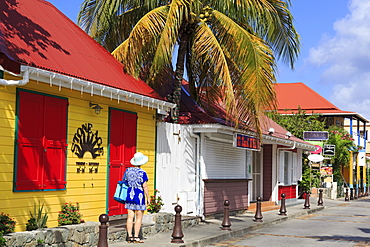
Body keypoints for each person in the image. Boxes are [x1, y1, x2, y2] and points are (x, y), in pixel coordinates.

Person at [123, 152, 150, 243]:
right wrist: (148, 197)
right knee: (139, 217)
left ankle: (129, 236)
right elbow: (144, 186)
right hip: (139, 195)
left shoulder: (128, 171)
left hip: (130, 194)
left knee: (130, 217)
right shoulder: (142, 172)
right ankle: (136, 237)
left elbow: (125, 182)